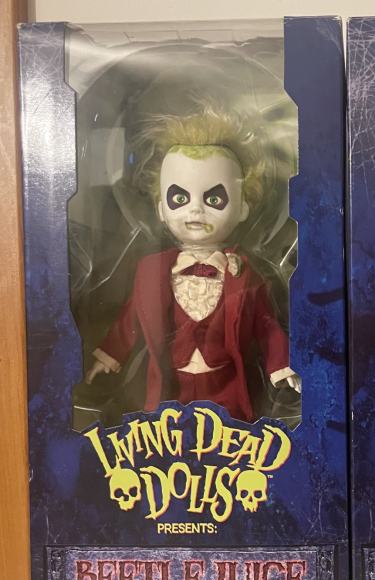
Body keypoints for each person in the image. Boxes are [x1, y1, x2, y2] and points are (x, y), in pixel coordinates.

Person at [86, 106, 300, 422]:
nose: (195, 210)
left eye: (214, 199)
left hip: (227, 384)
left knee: (232, 437)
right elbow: (131, 318)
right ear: (161, 208)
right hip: (170, 385)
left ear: (243, 207)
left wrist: (281, 365)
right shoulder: (151, 270)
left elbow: (266, 323)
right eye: (179, 199)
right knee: (167, 436)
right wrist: (109, 356)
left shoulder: (244, 273)